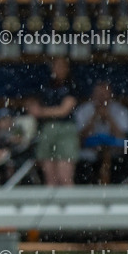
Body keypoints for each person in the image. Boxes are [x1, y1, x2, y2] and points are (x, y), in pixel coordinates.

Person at [29, 57, 78, 186]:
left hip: (65, 129)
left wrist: (42, 112)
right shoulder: (46, 86)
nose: (58, 70)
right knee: (50, 178)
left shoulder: (71, 86)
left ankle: (69, 204)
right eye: (55, 66)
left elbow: (64, 110)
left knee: (65, 177)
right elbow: (33, 104)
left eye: (62, 66)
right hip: (47, 129)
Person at [74, 80, 128, 184]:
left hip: (115, 155)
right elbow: (79, 138)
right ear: (93, 95)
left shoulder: (121, 110)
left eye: (105, 94)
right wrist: (94, 118)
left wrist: (109, 118)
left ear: (111, 95)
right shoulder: (83, 110)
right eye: (99, 94)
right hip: (88, 156)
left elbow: (122, 136)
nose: (102, 97)